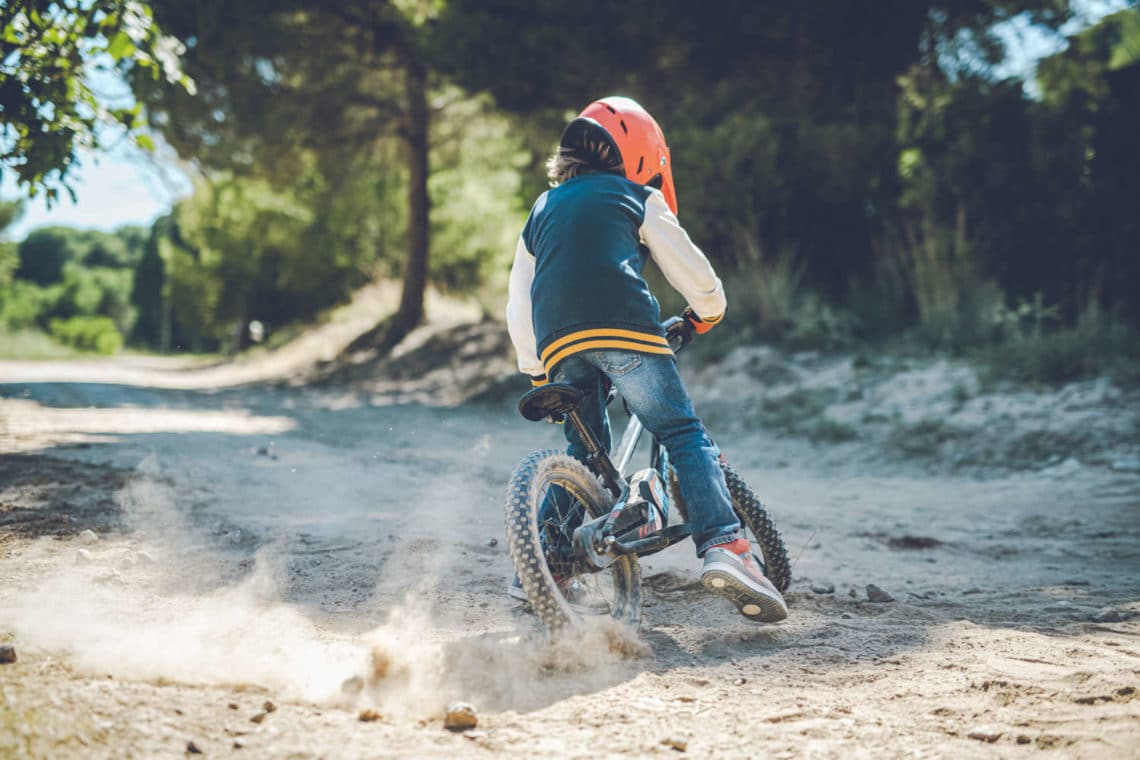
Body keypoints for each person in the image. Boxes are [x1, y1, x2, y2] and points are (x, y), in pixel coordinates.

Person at [505, 96, 787, 623]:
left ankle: (546, 568)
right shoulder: (636, 195)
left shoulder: (541, 209)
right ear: (639, 155)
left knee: (585, 453)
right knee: (681, 432)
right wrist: (705, 313)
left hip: (557, 344)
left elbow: (518, 297)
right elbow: (695, 275)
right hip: (626, 331)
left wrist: (535, 367)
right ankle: (726, 547)